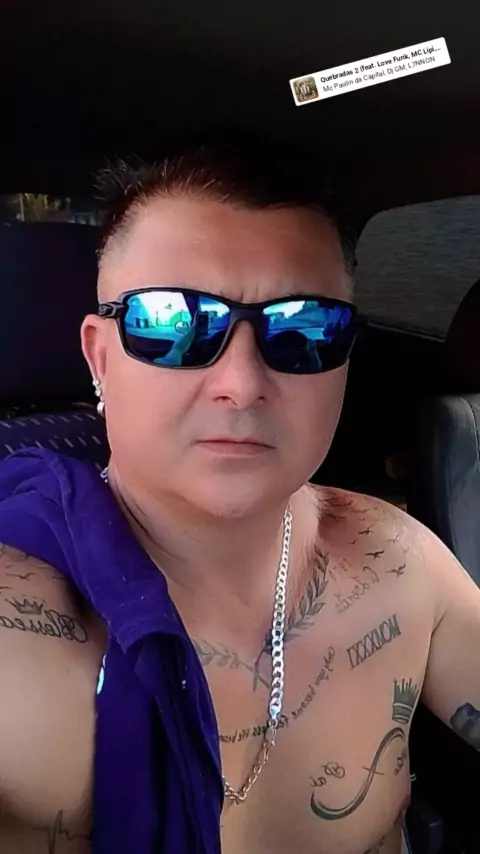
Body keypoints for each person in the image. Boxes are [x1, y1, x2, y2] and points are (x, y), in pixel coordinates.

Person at [0, 136, 479, 854]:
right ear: (100, 355)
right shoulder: (22, 636)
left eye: (304, 329)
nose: (242, 383)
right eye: (174, 322)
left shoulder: (401, 561)